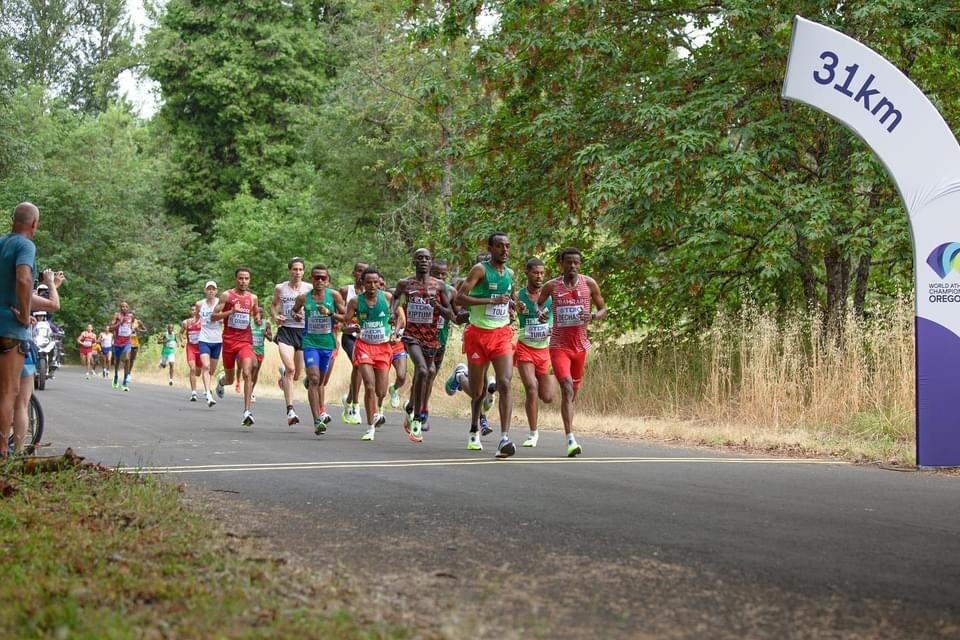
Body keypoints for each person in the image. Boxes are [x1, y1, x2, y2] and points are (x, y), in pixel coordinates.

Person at [452, 232, 518, 457]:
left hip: (501, 334)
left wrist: (514, 307)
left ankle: (504, 438)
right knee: (477, 392)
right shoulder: (480, 270)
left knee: (505, 382)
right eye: (499, 246)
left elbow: (510, 298)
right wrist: (490, 300)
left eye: (507, 246)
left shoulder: (510, 273)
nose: (505, 250)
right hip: (477, 334)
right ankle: (461, 379)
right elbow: (459, 298)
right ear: (490, 248)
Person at [537, 247, 607, 457]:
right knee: (567, 389)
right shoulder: (552, 286)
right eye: (569, 262)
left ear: (580, 264)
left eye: (576, 262)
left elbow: (603, 309)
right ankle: (570, 440)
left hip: (580, 347)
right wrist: (540, 314)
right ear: (561, 264)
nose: (573, 266)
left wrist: (592, 316)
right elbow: (538, 305)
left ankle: (567, 417)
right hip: (559, 346)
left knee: (572, 393)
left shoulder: (589, 283)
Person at [391, 248, 454, 442]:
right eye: (420, 258)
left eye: (427, 258)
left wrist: (439, 307)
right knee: (423, 370)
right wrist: (392, 312)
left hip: (431, 338)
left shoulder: (440, 286)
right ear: (414, 261)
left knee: (424, 374)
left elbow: (449, 313)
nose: (424, 261)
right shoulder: (405, 283)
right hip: (412, 336)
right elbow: (395, 297)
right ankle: (417, 419)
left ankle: (411, 406)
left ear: (431, 261)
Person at [343, 267, 404, 442]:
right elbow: (345, 325)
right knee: (369, 386)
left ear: (379, 283)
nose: (372, 285)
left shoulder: (388, 298)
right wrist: (352, 328)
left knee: (381, 391)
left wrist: (395, 333)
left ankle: (378, 409)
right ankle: (370, 426)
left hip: (383, 348)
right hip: (363, 347)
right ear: (362, 283)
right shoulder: (355, 302)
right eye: (368, 282)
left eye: (375, 282)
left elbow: (400, 318)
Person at [0, 203, 39, 459]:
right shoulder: (25, 245)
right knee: (8, 392)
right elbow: (23, 278)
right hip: (10, 330)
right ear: (34, 224)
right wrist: (25, 315)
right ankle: (3, 451)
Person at [12, 269, 63, 456]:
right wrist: (50, 284)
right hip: (20, 346)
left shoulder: (6, 295)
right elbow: (53, 304)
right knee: (21, 404)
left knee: (6, 398)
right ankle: (17, 452)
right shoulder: (23, 294)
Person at [292, 264, 346, 435]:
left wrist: (330, 313)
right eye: (317, 278)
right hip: (310, 343)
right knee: (315, 379)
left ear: (328, 280)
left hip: (327, 344)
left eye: (323, 278)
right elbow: (294, 311)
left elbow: (346, 316)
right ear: (312, 279)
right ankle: (317, 420)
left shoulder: (334, 296)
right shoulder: (303, 298)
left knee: (320, 381)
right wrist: (296, 315)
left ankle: (311, 383)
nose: (320, 281)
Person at [514, 258, 555, 447]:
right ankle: (533, 433)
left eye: (542, 273)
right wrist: (514, 310)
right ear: (527, 273)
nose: (539, 276)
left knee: (547, 397)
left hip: (544, 351)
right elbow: (509, 314)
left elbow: (557, 319)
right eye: (535, 273)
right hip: (525, 348)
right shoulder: (518, 296)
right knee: (531, 388)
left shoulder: (550, 296)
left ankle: (541, 382)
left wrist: (552, 328)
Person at [214, 268, 261, 426]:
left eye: (246, 278)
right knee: (230, 379)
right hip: (228, 341)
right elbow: (213, 316)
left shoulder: (252, 298)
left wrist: (258, 319)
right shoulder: (227, 296)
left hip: (244, 341)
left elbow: (256, 313)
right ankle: (222, 381)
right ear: (236, 279)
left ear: (249, 280)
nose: (243, 281)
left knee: (247, 371)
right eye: (241, 278)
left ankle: (247, 412)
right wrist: (230, 312)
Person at [271, 257, 312, 426]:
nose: (297, 272)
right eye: (295, 269)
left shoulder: (309, 288)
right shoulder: (280, 288)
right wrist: (276, 317)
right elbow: (273, 305)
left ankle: (284, 378)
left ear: (303, 271)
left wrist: (305, 315)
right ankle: (290, 410)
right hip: (286, 331)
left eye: (300, 269)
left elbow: (313, 309)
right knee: (291, 369)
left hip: (302, 332)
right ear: (289, 271)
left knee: (296, 375)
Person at [421, 258, 460, 432]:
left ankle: (420, 407)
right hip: (421, 339)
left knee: (430, 376)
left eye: (444, 274)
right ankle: (420, 412)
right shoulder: (420, 289)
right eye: (437, 274)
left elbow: (457, 317)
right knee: (426, 372)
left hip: (440, 340)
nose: (440, 278)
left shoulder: (451, 291)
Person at [338, 261, 367, 425]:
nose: (362, 275)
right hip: (349, 336)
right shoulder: (345, 291)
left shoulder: (373, 294)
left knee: (361, 368)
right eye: (359, 271)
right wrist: (342, 323)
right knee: (359, 365)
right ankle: (355, 406)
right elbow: (338, 311)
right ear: (354, 273)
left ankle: (348, 400)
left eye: (365, 271)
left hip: (367, 338)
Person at [196, 281, 223, 407]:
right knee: (205, 366)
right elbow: (197, 317)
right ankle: (208, 393)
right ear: (205, 290)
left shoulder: (220, 303)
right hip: (204, 339)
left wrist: (222, 320)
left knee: (211, 370)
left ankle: (211, 385)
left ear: (216, 291)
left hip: (217, 340)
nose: (211, 291)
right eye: (209, 289)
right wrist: (195, 323)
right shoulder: (200, 304)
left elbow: (225, 318)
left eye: (213, 289)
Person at [109, 301, 136, 391]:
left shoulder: (131, 316)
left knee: (127, 359)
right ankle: (116, 376)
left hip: (127, 342)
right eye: (122, 306)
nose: (124, 308)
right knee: (117, 362)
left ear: (128, 308)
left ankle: (125, 382)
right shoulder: (117, 316)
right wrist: (119, 323)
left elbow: (131, 325)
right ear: (120, 308)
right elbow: (110, 328)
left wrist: (131, 329)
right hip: (118, 342)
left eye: (126, 306)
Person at [181, 304, 202, 401]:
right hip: (191, 348)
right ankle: (194, 393)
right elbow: (181, 333)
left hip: (201, 348)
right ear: (190, 312)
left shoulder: (203, 321)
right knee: (192, 368)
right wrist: (182, 340)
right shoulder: (186, 322)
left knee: (198, 372)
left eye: (196, 310)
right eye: (192, 310)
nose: (194, 311)